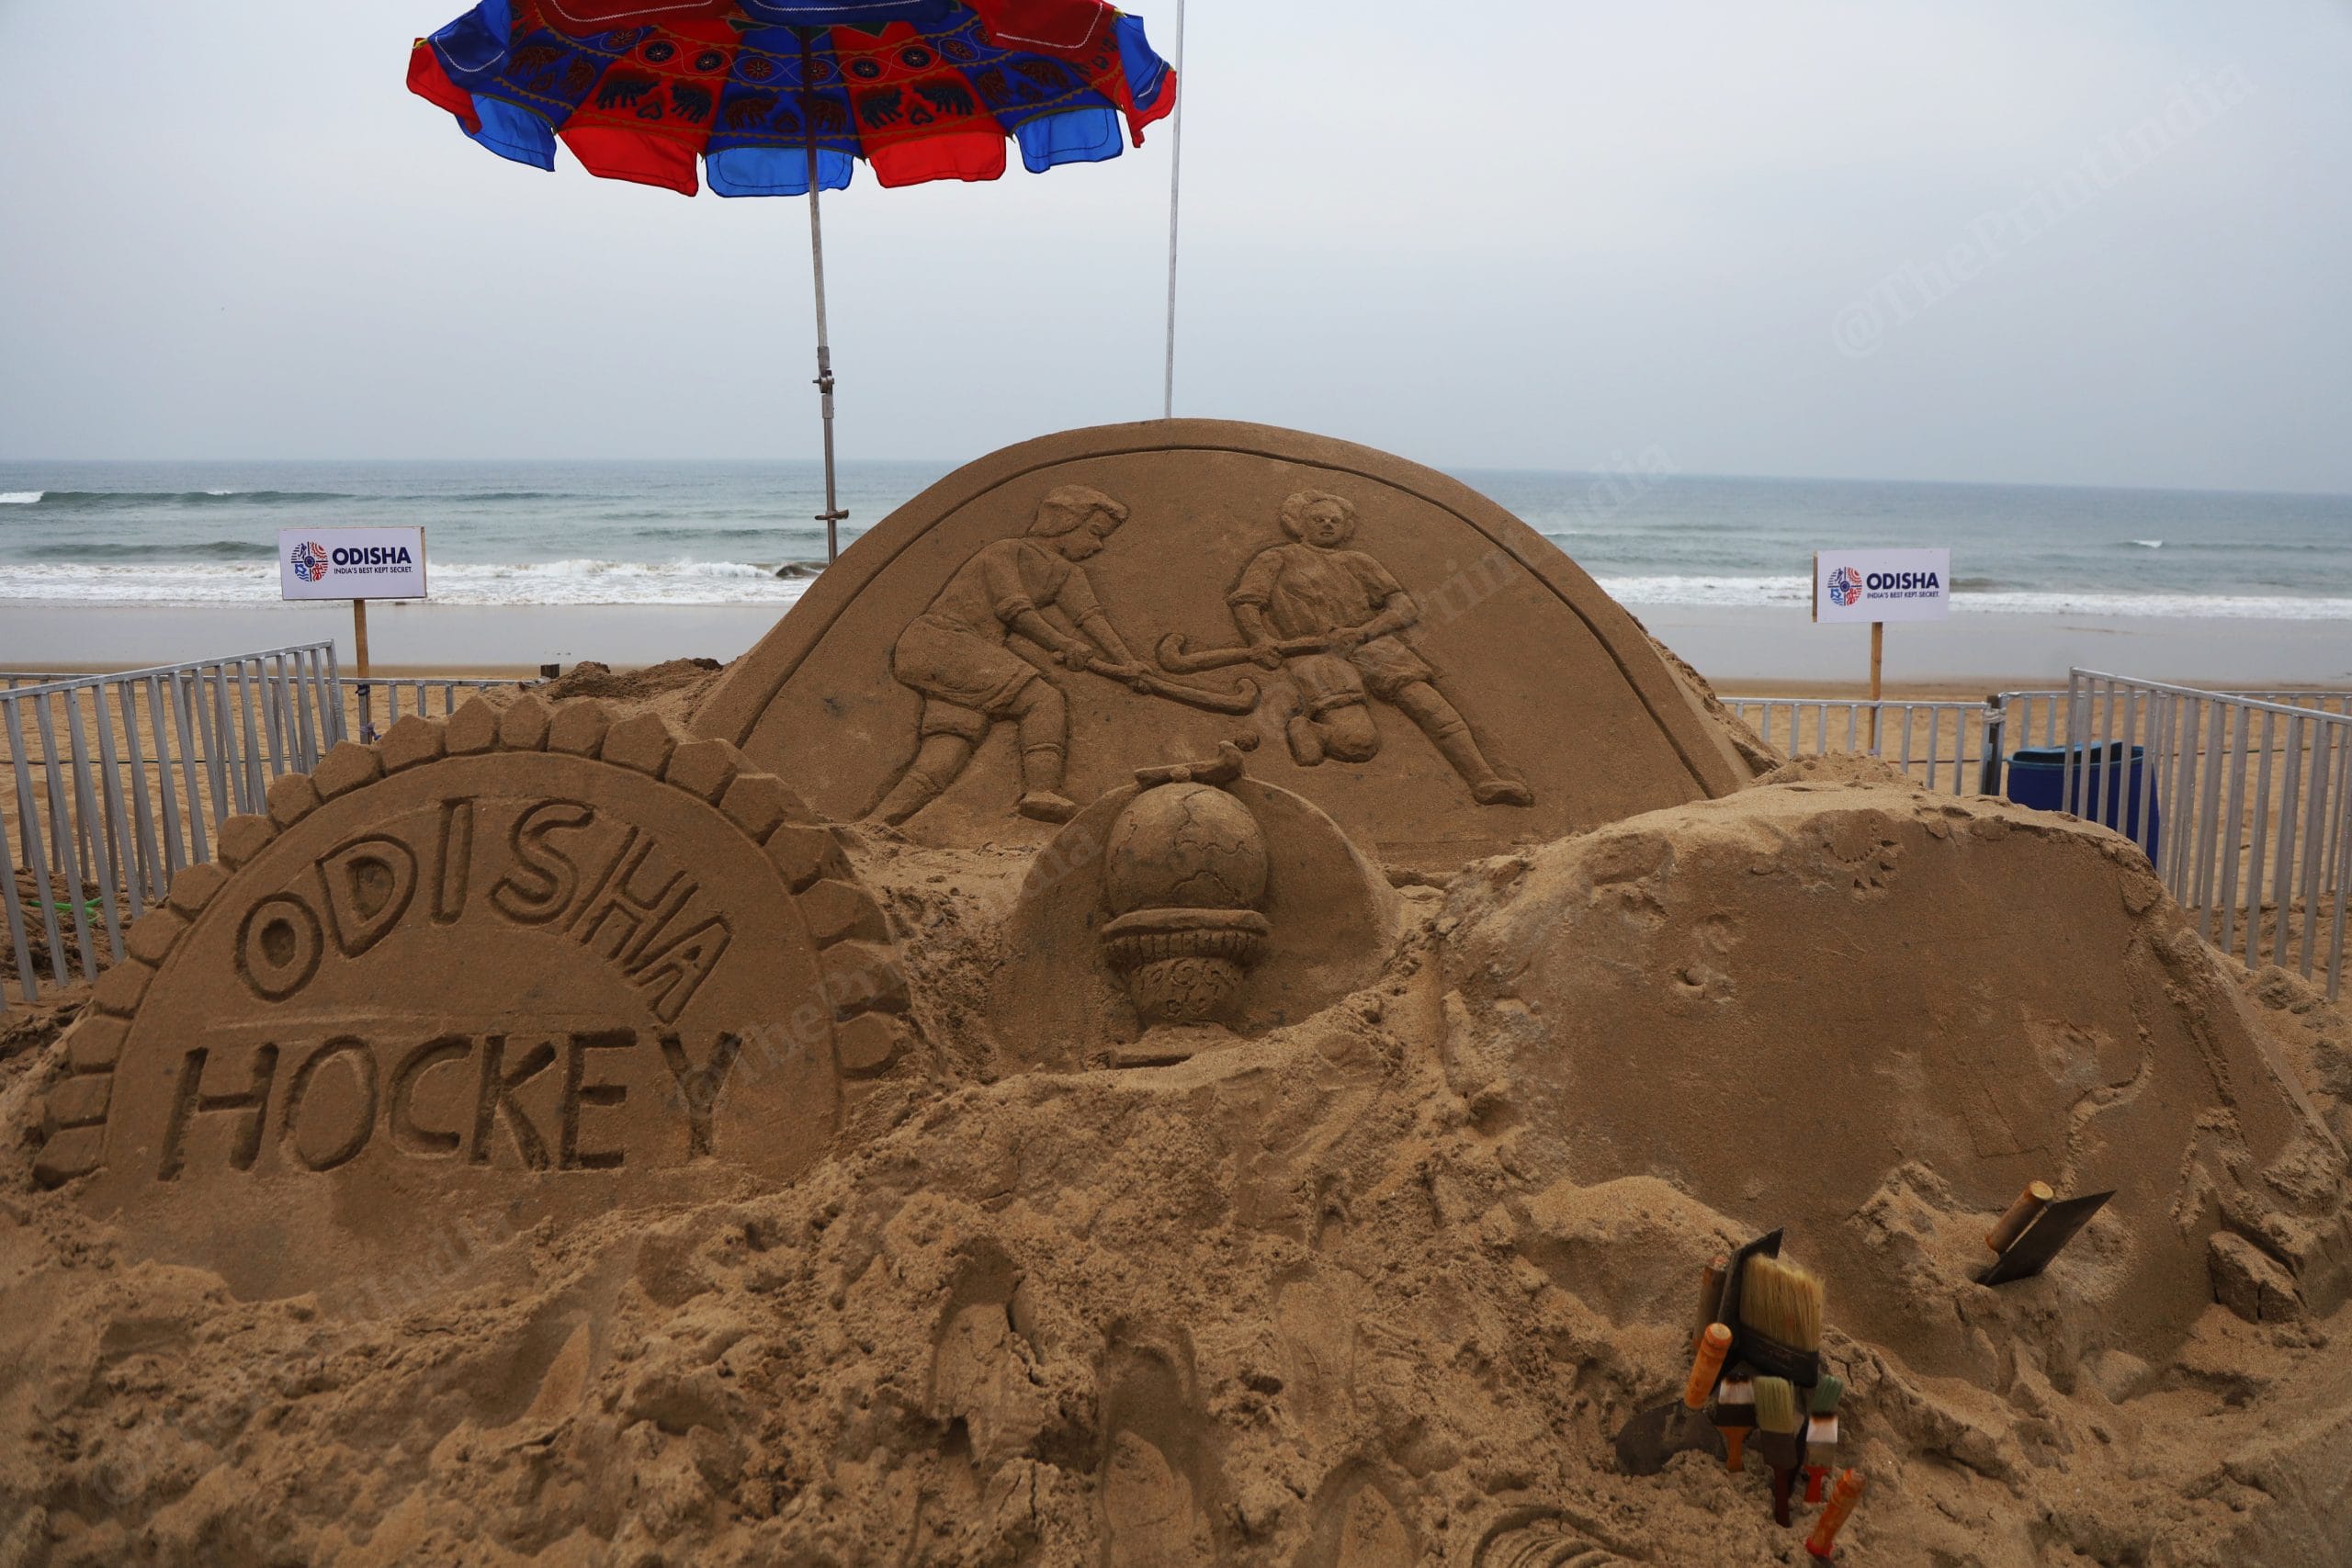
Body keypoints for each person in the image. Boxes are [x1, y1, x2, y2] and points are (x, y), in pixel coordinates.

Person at [1228, 491, 1534, 807]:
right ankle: (1313, 732)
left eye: (1335, 520)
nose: (1327, 525)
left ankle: (1484, 780)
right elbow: (1247, 602)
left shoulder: (1359, 562)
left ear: (1346, 527)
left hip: (1374, 643)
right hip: (1312, 653)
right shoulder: (1277, 558)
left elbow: (1404, 608)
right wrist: (1259, 640)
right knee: (1358, 743)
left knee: (1432, 707)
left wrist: (1362, 632)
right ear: (1299, 525)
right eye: (1318, 519)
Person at [870, 486, 1151, 826]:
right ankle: (1041, 790)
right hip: (940, 642)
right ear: (1065, 523)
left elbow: (1092, 619)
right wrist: (1064, 644)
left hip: (966, 660)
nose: (1098, 545)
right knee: (1042, 700)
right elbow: (1016, 611)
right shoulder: (1005, 552)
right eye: (1094, 532)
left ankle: (876, 825)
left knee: (949, 745)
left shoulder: (1067, 573)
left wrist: (1129, 664)